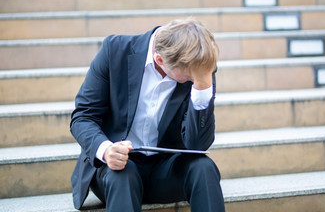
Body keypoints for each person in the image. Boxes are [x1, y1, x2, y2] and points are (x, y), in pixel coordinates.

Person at [70, 18, 225, 212]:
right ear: (160, 60)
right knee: (122, 174)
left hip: (165, 169)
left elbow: (197, 145)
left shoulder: (200, 69)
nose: (193, 79)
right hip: (116, 168)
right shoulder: (115, 51)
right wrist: (106, 150)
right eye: (188, 77)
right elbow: (83, 117)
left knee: (204, 167)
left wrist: (202, 86)